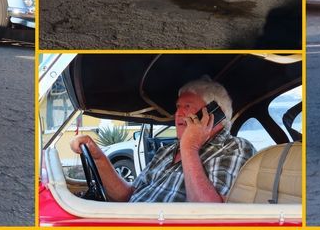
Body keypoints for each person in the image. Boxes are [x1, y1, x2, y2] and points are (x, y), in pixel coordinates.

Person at [72, 77, 252, 202]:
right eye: (177, 107)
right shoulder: (166, 151)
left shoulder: (234, 148)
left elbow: (210, 215)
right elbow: (129, 196)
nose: (177, 114)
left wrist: (190, 148)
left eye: (187, 107)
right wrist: (99, 158)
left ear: (214, 114)